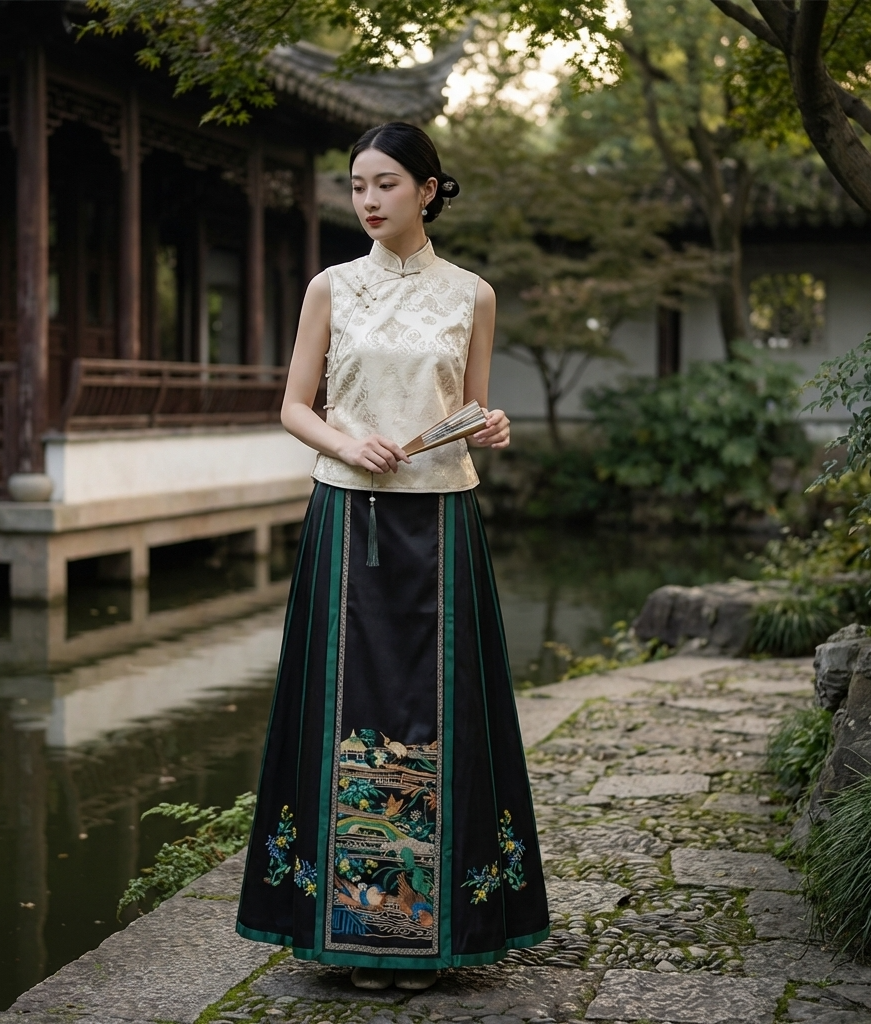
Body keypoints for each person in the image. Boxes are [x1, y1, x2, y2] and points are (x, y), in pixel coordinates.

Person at [236, 121, 549, 992]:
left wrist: (494, 423)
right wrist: (347, 439)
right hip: (349, 524)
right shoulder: (330, 287)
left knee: (436, 721)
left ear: (429, 189)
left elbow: (474, 406)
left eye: (386, 184)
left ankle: (430, 932)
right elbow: (294, 407)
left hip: (443, 529)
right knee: (348, 717)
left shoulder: (473, 295)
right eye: (357, 185)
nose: (368, 200)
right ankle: (351, 934)